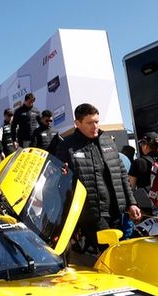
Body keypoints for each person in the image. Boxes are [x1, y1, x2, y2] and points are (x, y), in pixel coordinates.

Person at [50, 103, 141, 253]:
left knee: (118, 251)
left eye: (97, 122)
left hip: (117, 210)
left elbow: (121, 174)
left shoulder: (107, 140)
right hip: (91, 214)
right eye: (90, 123)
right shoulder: (66, 146)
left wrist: (131, 203)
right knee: (109, 251)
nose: (95, 126)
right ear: (77, 123)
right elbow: (61, 182)